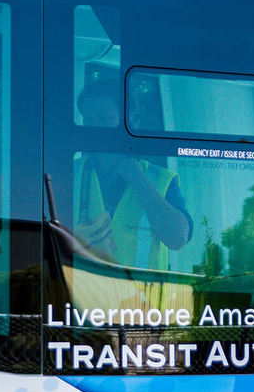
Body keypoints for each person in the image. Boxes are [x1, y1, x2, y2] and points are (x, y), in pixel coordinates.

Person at [73, 76, 192, 270]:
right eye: (89, 120)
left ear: (132, 121)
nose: (94, 128)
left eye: (104, 119)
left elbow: (178, 239)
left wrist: (140, 182)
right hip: (77, 298)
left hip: (139, 300)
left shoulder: (159, 179)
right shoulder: (69, 173)